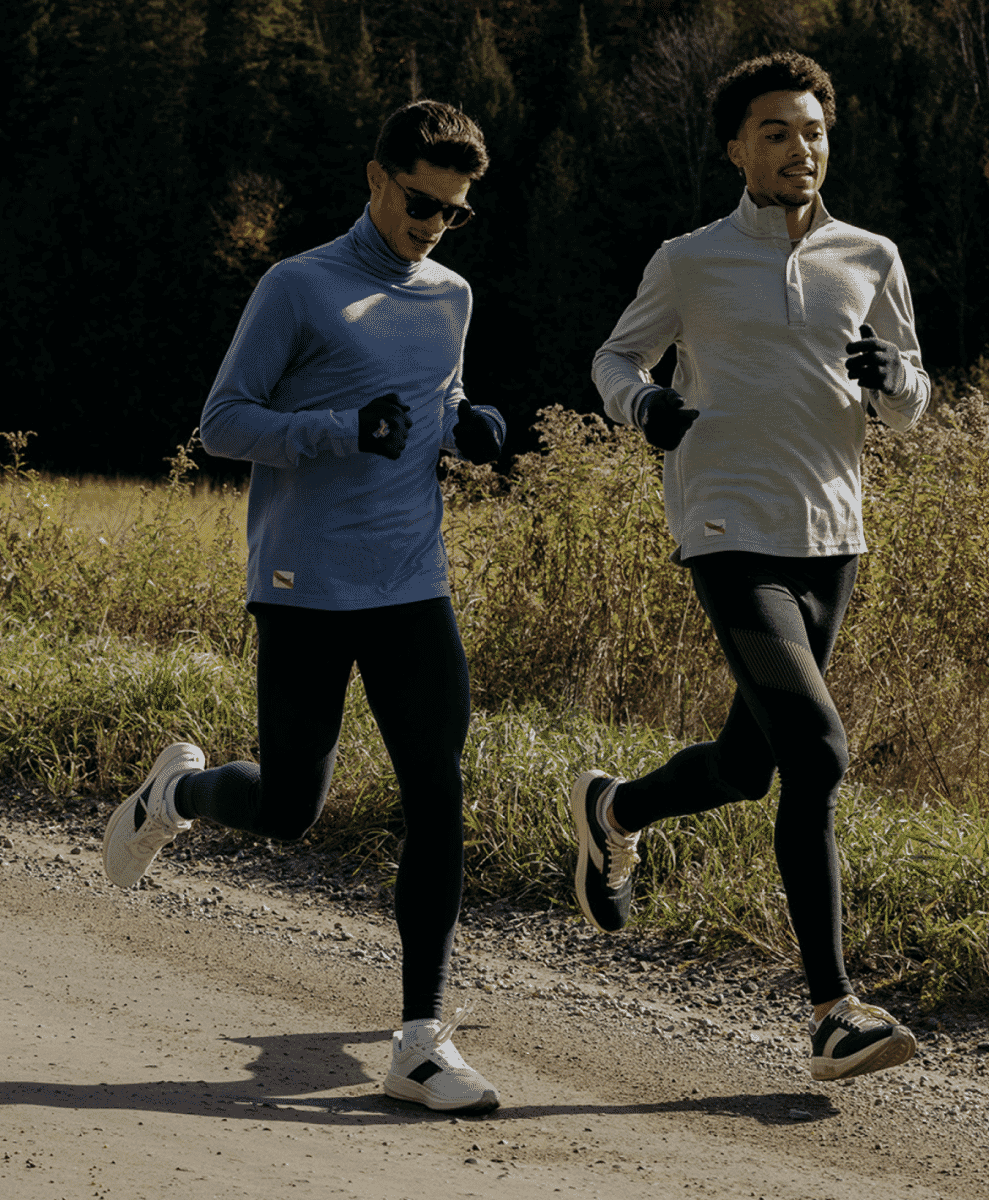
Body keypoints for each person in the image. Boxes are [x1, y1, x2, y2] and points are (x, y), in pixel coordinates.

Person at [102, 100, 505, 1113]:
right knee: (289, 811)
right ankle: (175, 798)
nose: (430, 226)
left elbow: (431, 402)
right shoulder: (299, 285)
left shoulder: (450, 295)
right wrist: (333, 430)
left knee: (438, 794)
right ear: (375, 178)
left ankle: (420, 1041)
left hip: (413, 581)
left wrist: (466, 427)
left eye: (451, 213)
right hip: (304, 585)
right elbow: (223, 424)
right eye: (419, 202)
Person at [573, 51, 927, 1083]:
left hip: (832, 535)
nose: (797, 148)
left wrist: (890, 379)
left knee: (747, 765)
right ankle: (830, 1011)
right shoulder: (688, 260)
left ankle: (615, 810)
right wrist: (643, 406)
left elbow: (910, 405)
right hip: (725, 527)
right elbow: (613, 358)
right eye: (774, 132)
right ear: (736, 148)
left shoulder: (870, 256)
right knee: (816, 751)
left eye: (811, 131)